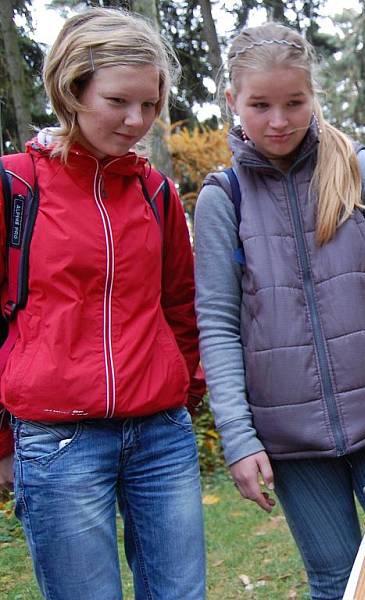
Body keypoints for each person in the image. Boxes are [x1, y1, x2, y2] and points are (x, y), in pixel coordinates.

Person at [194, 22, 365, 600]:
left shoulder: (360, 169)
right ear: (232, 101)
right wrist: (237, 437)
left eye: (295, 102)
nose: (279, 120)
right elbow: (216, 325)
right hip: (291, 445)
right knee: (337, 582)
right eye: (259, 105)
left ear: (314, 96)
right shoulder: (222, 199)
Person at [0, 8, 206, 600]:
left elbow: (180, 306)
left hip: (162, 436)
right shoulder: (17, 186)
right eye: (118, 101)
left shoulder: (156, 192)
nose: (136, 120)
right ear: (72, 89)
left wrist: (182, 388)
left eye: (149, 105)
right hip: (58, 442)